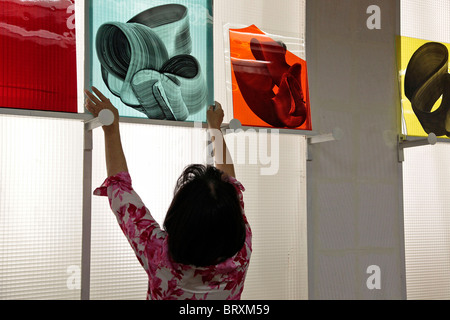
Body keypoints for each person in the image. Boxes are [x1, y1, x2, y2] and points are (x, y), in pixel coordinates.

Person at [84, 86, 252, 300]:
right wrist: (215, 130)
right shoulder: (242, 250)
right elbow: (232, 187)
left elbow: (120, 189)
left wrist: (111, 128)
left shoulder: (158, 254)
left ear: (178, 216)